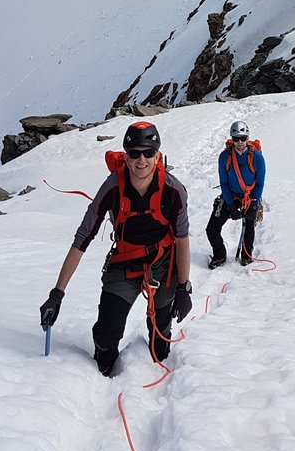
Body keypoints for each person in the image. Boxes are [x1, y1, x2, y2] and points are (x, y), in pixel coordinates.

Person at [39, 121, 192, 377]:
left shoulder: (173, 190)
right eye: (134, 153)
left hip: (164, 264)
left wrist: (183, 287)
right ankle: (103, 370)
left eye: (148, 153)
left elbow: (182, 239)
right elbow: (82, 240)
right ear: (126, 156)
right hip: (125, 263)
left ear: (157, 155)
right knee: (106, 334)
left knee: (160, 339)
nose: (141, 160)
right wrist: (57, 294)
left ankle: (159, 348)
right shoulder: (112, 188)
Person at [206, 119, 265, 269]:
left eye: (243, 138)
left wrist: (254, 203)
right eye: (236, 139)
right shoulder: (224, 157)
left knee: (249, 226)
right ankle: (219, 255)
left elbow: (259, 183)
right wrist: (231, 206)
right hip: (230, 196)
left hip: (250, 197)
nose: (239, 142)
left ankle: (246, 256)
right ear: (232, 139)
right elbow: (224, 183)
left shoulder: (257, 157)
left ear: (247, 138)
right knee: (212, 228)